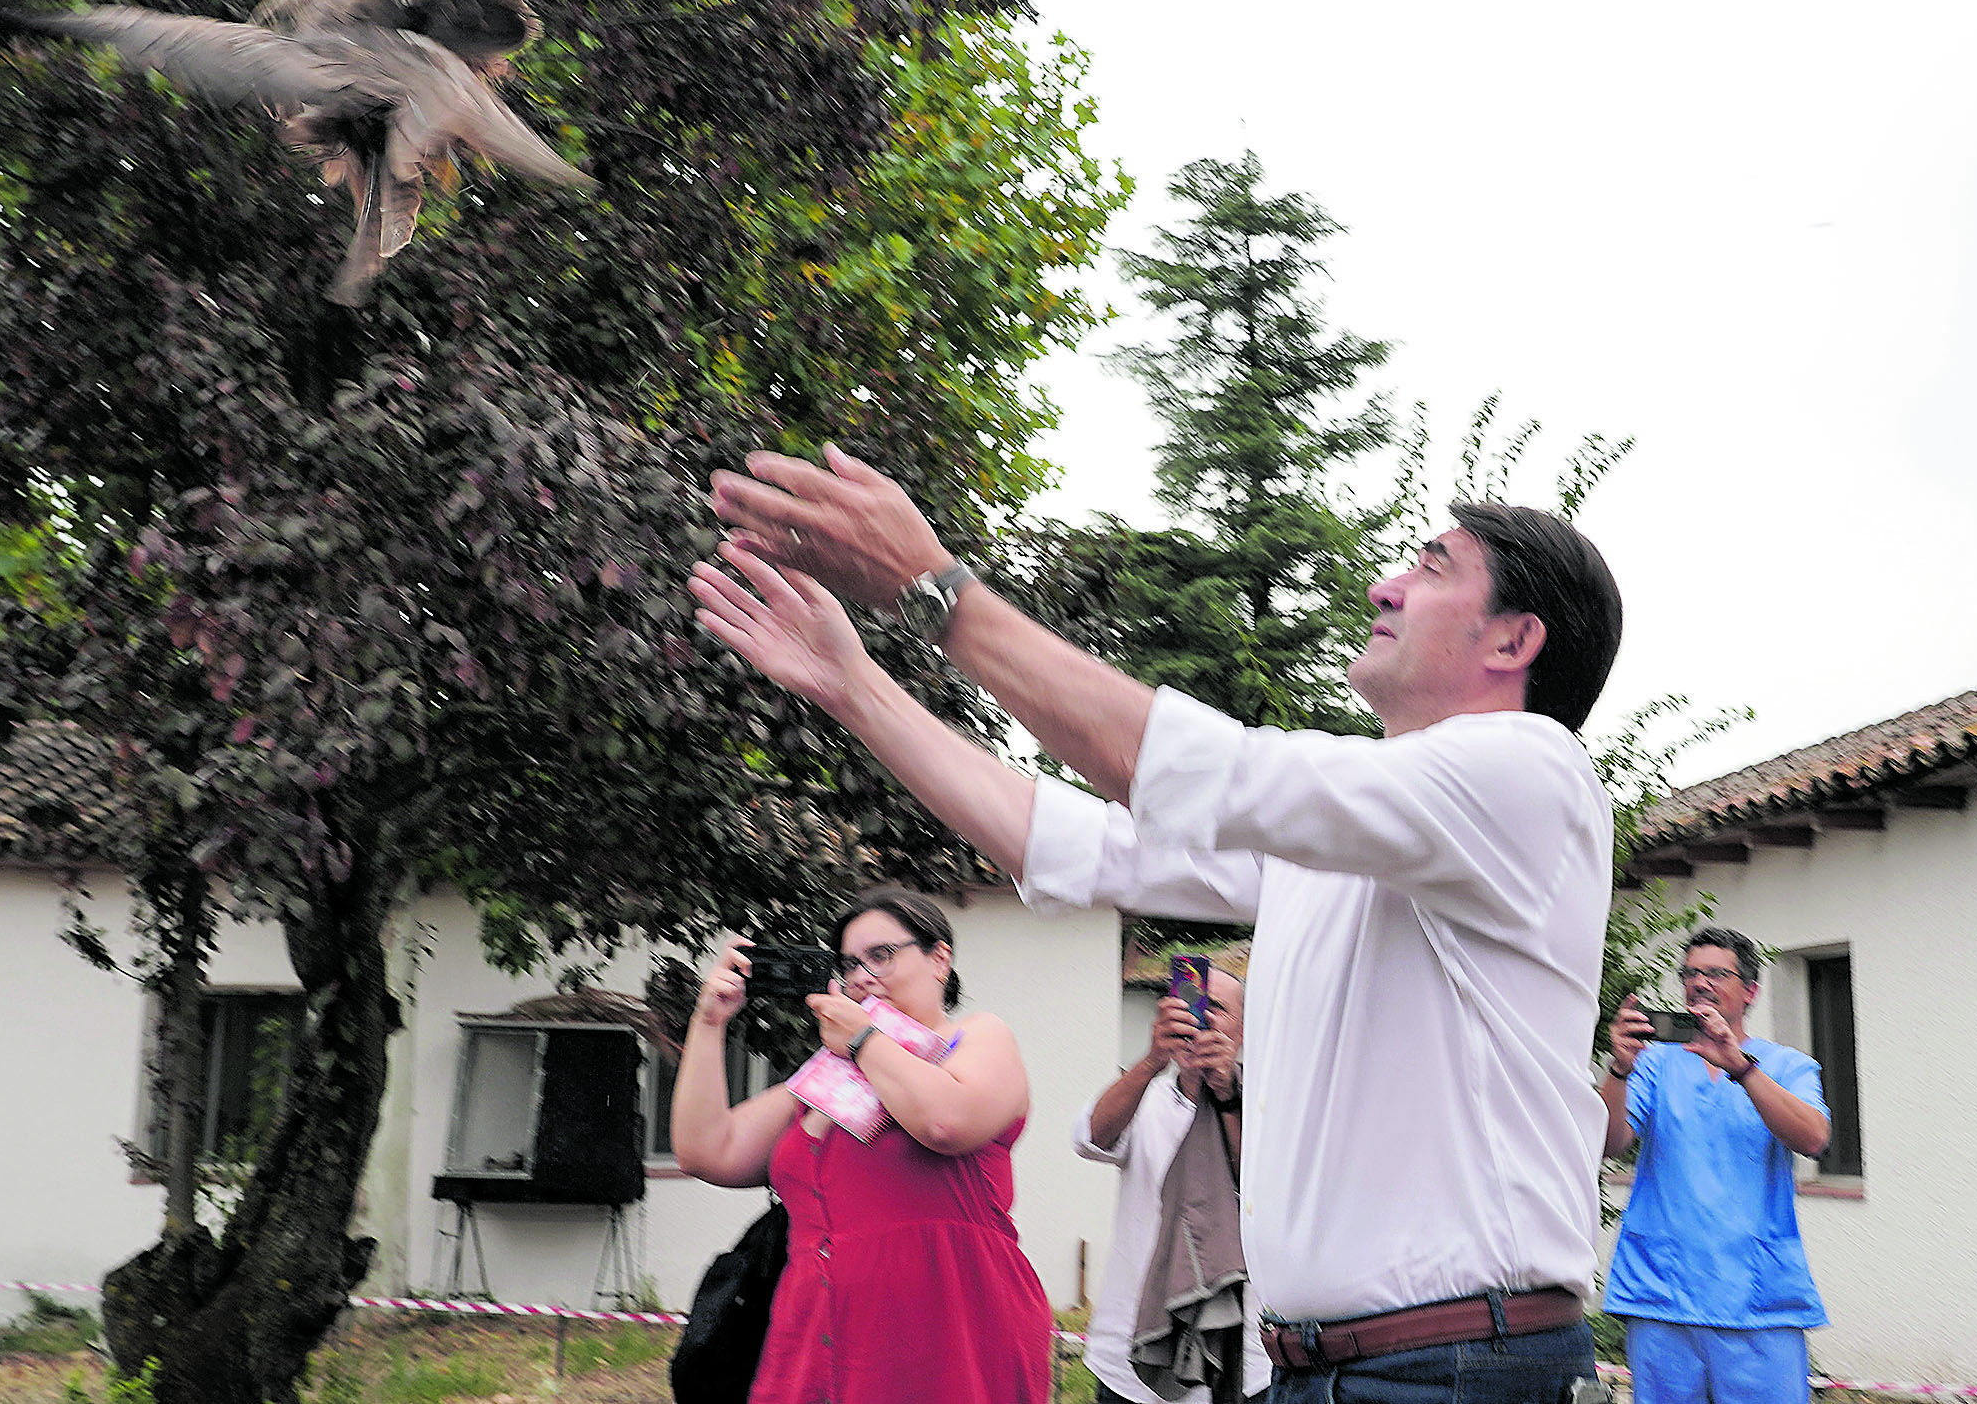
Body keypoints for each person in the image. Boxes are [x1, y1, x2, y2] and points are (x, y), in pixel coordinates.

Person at [691, 444, 1625, 1403]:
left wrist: (938, 589)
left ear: (1513, 641)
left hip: (1457, 1370)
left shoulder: (1528, 768)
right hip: (1339, 1369)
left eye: (1431, 567)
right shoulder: (1352, 841)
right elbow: (1071, 840)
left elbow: (1188, 767)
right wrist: (855, 685)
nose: (1385, 586)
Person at [668, 886, 1053, 1404]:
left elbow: (945, 1122)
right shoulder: (823, 1079)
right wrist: (709, 1022)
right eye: (848, 964)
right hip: (815, 1337)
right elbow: (704, 1149)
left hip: (950, 1335)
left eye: (881, 956)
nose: (862, 976)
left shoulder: (974, 1038)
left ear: (940, 958)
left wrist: (865, 1039)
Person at [1600, 925, 1831, 1404]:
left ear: (1750, 991)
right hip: (1665, 1298)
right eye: (1690, 973)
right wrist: (1619, 1068)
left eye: (1716, 973)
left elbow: (1813, 1138)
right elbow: (1609, 1142)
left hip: (1757, 1302)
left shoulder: (1786, 1066)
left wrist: (1741, 1068)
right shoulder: (1655, 1062)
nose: (1699, 982)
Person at [1079, 971, 1273, 1404]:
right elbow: (1090, 1139)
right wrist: (1151, 1061)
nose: (1199, 1018)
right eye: (1189, 1005)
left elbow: (1261, 1187)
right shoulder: (1145, 1096)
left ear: (1243, 1030)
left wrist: (1225, 1093)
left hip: (1246, 1354)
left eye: (1215, 1009)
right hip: (1129, 1351)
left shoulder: (1267, 1101)